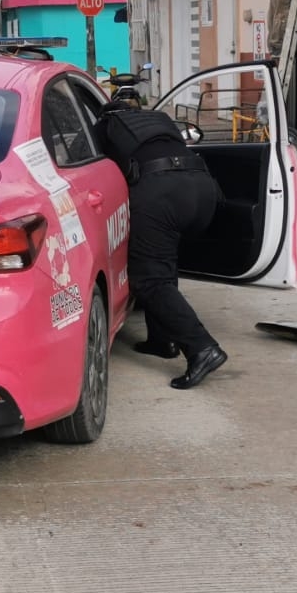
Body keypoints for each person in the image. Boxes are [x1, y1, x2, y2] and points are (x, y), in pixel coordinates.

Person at [96, 87, 228, 390]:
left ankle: (202, 348)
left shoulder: (105, 127)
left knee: (149, 278)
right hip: (202, 189)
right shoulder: (160, 119)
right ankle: (162, 340)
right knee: (163, 263)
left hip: (161, 193)